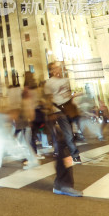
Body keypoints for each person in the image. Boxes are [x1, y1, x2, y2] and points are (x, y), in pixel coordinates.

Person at [44, 62, 82, 197]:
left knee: (64, 144)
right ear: (51, 70)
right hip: (57, 113)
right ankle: (63, 184)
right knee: (64, 144)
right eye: (55, 67)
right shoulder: (48, 83)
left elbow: (67, 96)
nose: (58, 69)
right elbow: (47, 99)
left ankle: (62, 184)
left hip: (68, 111)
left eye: (59, 67)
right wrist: (52, 112)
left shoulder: (66, 80)